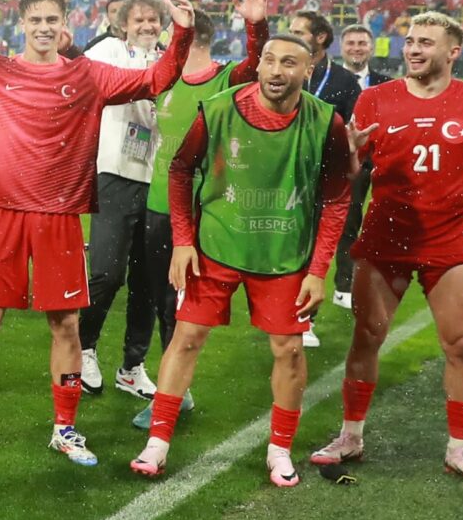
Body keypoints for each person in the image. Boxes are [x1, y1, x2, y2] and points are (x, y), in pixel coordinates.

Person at [0, 0, 195, 466]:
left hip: (60, 216)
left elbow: (156, 80)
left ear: (66, 25)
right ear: (22, 24)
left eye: (51, 20)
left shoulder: (89, 76)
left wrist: (183, 33)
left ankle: (65, 428)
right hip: (4, 213)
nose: (43, 28)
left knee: (65, 323)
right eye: (35, 20)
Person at [133, 28, 355, 485]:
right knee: (187, 337)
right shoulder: (218, 110)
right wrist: (183, 239)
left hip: (283, 254)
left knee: (289, 349)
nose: (276, 70)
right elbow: (179, 171)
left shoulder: (325, 121)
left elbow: (336, 198)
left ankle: (279, 450)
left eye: (289, 63)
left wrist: (319, 270)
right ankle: (157, 443)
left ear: (308, 70)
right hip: (216, 245)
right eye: (269, 60)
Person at [308, 12, 463, 488]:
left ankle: (459, 449)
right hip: (386, 236)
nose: (414, 49)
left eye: (426, 41)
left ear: (453, 50)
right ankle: (351, 435)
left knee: (460, 343)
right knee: (367, 336)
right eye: (409, 41)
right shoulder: (376, 99)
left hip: (448, 237)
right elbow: (345, 176)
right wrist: (352, 160)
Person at [127, 0, 271, 410]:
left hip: (201, 212)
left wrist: (255, 24)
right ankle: (173, 388)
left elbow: (257, 63)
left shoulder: (225, 80)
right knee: (162, 303)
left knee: (183, 305)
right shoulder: (164, 82)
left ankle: (172, 394)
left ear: (190, 37)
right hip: (157, 208)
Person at [78, 0, 173, 393]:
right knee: (106, 272)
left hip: (158, 179)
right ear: (124, 24)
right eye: (139, 20)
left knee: (149, 280)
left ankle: (132, 365)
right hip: (114, 172)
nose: (147, 26)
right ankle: (84, 348)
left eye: (154, 20)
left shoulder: (171, 57)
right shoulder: (108, 52)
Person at [294, 10, 371, 313]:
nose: (293, 36)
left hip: (326, 175)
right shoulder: (286, 70)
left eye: (299, 32)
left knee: (316, 245)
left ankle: (306, 317)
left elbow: (353, 133)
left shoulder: (344, 81)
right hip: (287, 171)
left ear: (321, 37)